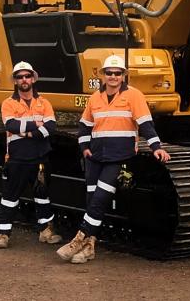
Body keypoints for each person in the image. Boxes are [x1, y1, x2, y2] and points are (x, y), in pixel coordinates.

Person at [57, 55, 170, 264]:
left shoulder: (134, 96)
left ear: (123, 76)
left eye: (117, 73)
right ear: (103, 75)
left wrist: (156, 147)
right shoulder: (95, 98)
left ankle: (78, 239)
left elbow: (145, 124)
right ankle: (90, 248)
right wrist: (84, 148)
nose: (113, 77)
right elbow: (84, 126)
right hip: (95, 157)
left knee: (100, 198)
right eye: (109, 73)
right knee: (92, 200)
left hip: (119, 157)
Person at [0, 62, 62, 249]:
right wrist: (37, 126)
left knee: (43, 195)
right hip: (17, 157)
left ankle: (46, 231)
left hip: (40, 156)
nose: (24, 80)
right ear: (15, 81)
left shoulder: (44, 102)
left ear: (32, 78)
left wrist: (28, 131)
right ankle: (2, 234)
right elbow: (11, 126)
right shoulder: (8, 103)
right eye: (19, 77)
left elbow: (51, 128)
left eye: (26, 76)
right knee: (10, 196)